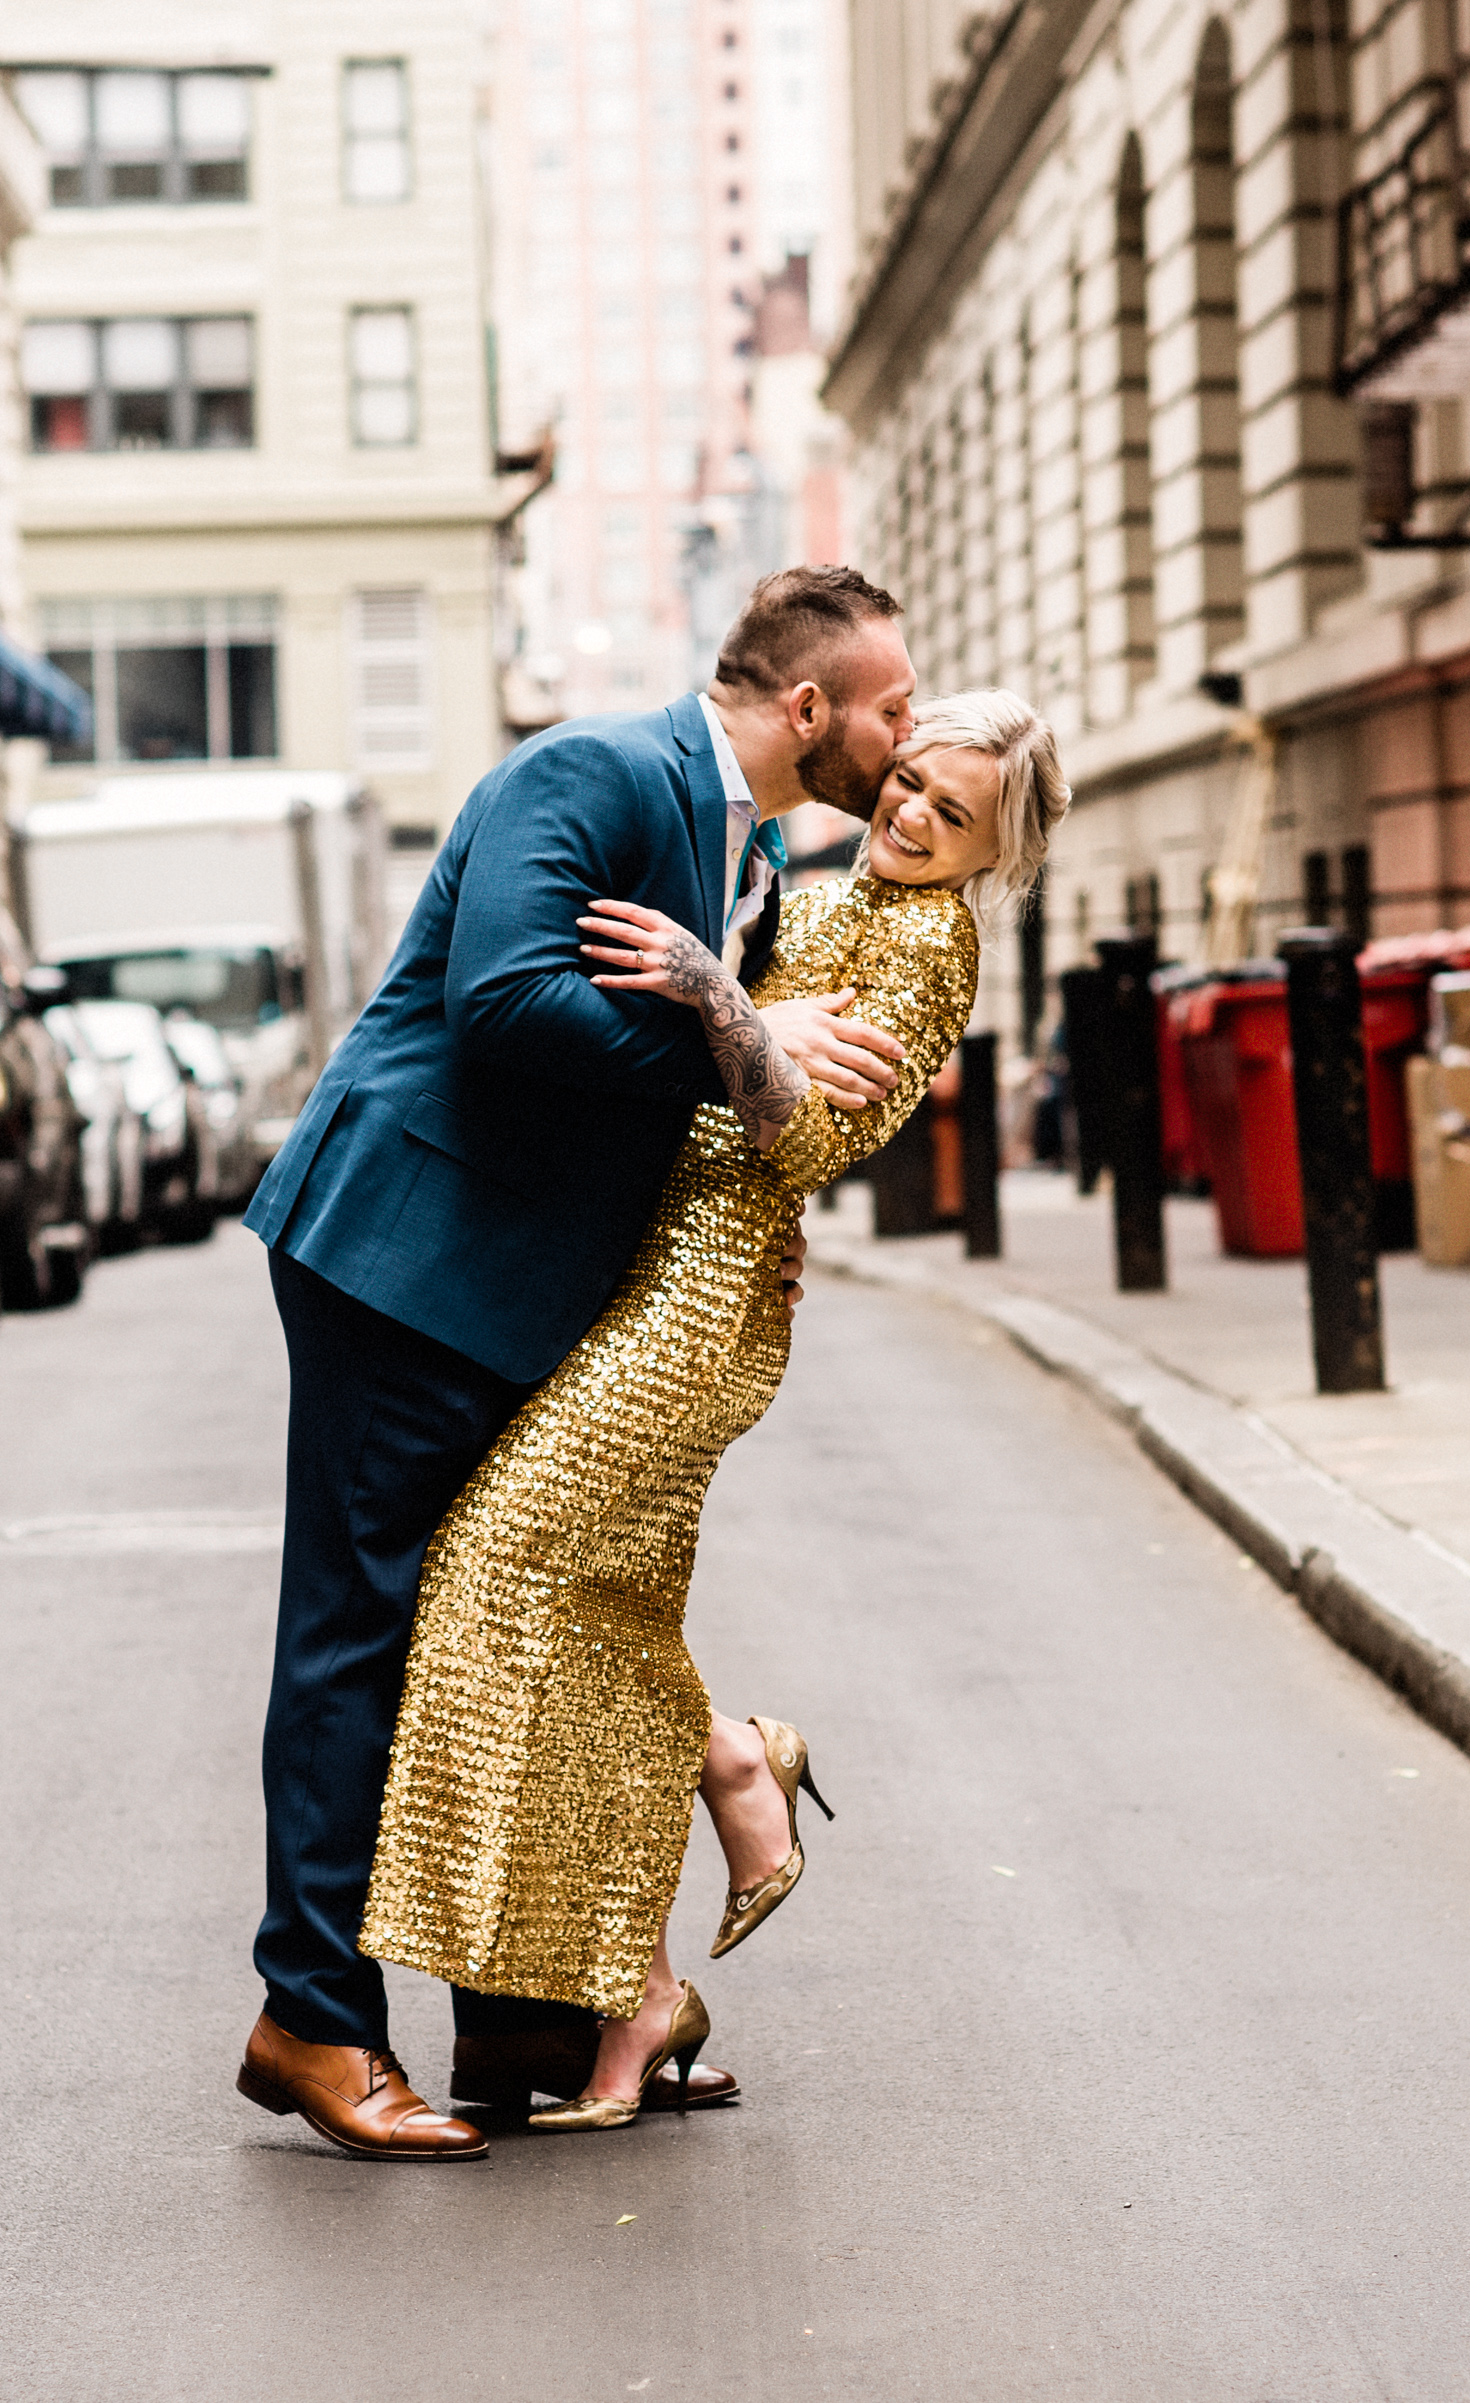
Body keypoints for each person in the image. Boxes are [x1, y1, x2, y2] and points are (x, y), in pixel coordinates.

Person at [233, 567, 922, 2164]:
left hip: (524, 1288)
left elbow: (676, 1089)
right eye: (890, 707)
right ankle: (312, 2021)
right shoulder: (592, 774)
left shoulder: (746, 845)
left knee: (497, 1623)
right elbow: (505, 1006)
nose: (903, 738)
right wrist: (737, 1028)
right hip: (405, 1258)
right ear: (809, 707)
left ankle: (527, 2030)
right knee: (361, 1632)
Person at [361, 689, 1070, 2128]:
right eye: (915, 781)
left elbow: (803, 1132)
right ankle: (651, 1975)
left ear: (995, 854)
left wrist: (712, 988)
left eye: (955, 815)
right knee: (593, 1615)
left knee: (499, 1569)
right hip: (640, 1270)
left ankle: (717, 1798)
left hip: (706, 1310)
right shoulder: (822, 886)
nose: (914, 814)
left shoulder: (934, 946)